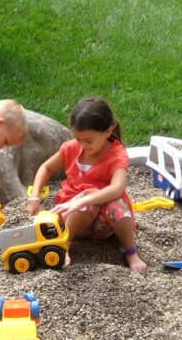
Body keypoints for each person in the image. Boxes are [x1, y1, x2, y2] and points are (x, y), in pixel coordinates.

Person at [26, 96, 147, 272]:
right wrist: (34, 196)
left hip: (103, 225)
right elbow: (46, 167)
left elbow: (116, 188)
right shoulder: (71, 147)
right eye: (78, 138)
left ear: (107, 131)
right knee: (87, 200)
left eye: (88, 140)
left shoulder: (117, 155)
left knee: (112, 204)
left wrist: (83, 201)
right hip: (71, 220)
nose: (82, 145)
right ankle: (63, 245)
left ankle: (131, 252)